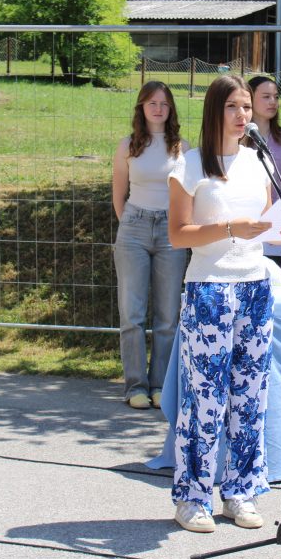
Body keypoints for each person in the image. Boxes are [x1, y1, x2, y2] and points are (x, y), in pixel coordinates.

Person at [167, 74, 281, 534]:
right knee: (204, 399)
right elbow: (177, 234)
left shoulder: (259, 161)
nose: (244, 115)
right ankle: (192, 497)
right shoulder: (190, 164)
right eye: (234, 107)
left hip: (255, 286)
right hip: (209, 287)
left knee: (250, 396)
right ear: (214, 111)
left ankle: (240, 492)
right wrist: (228, 229)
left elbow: (266, 224)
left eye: (247, 107)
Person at [112, 81, 189, 411]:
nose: (158, 109)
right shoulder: (128, 145)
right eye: (152, 103)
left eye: (164, 103)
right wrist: (130, 224)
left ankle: (160, 386)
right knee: (132, 314)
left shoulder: (183, 148)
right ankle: (135, 386)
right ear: (141, 107)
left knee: (167, 316)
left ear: (171, 109)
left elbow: (189, 195)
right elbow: (119, 193)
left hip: (172, 232)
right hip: (134, 228)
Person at [246, 75, 281, 286]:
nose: (273, 102)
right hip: (248, 224)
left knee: (280, 285)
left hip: (280, 223)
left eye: (276, 97)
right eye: (266, 96)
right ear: (250, 98)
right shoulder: (237, 141)